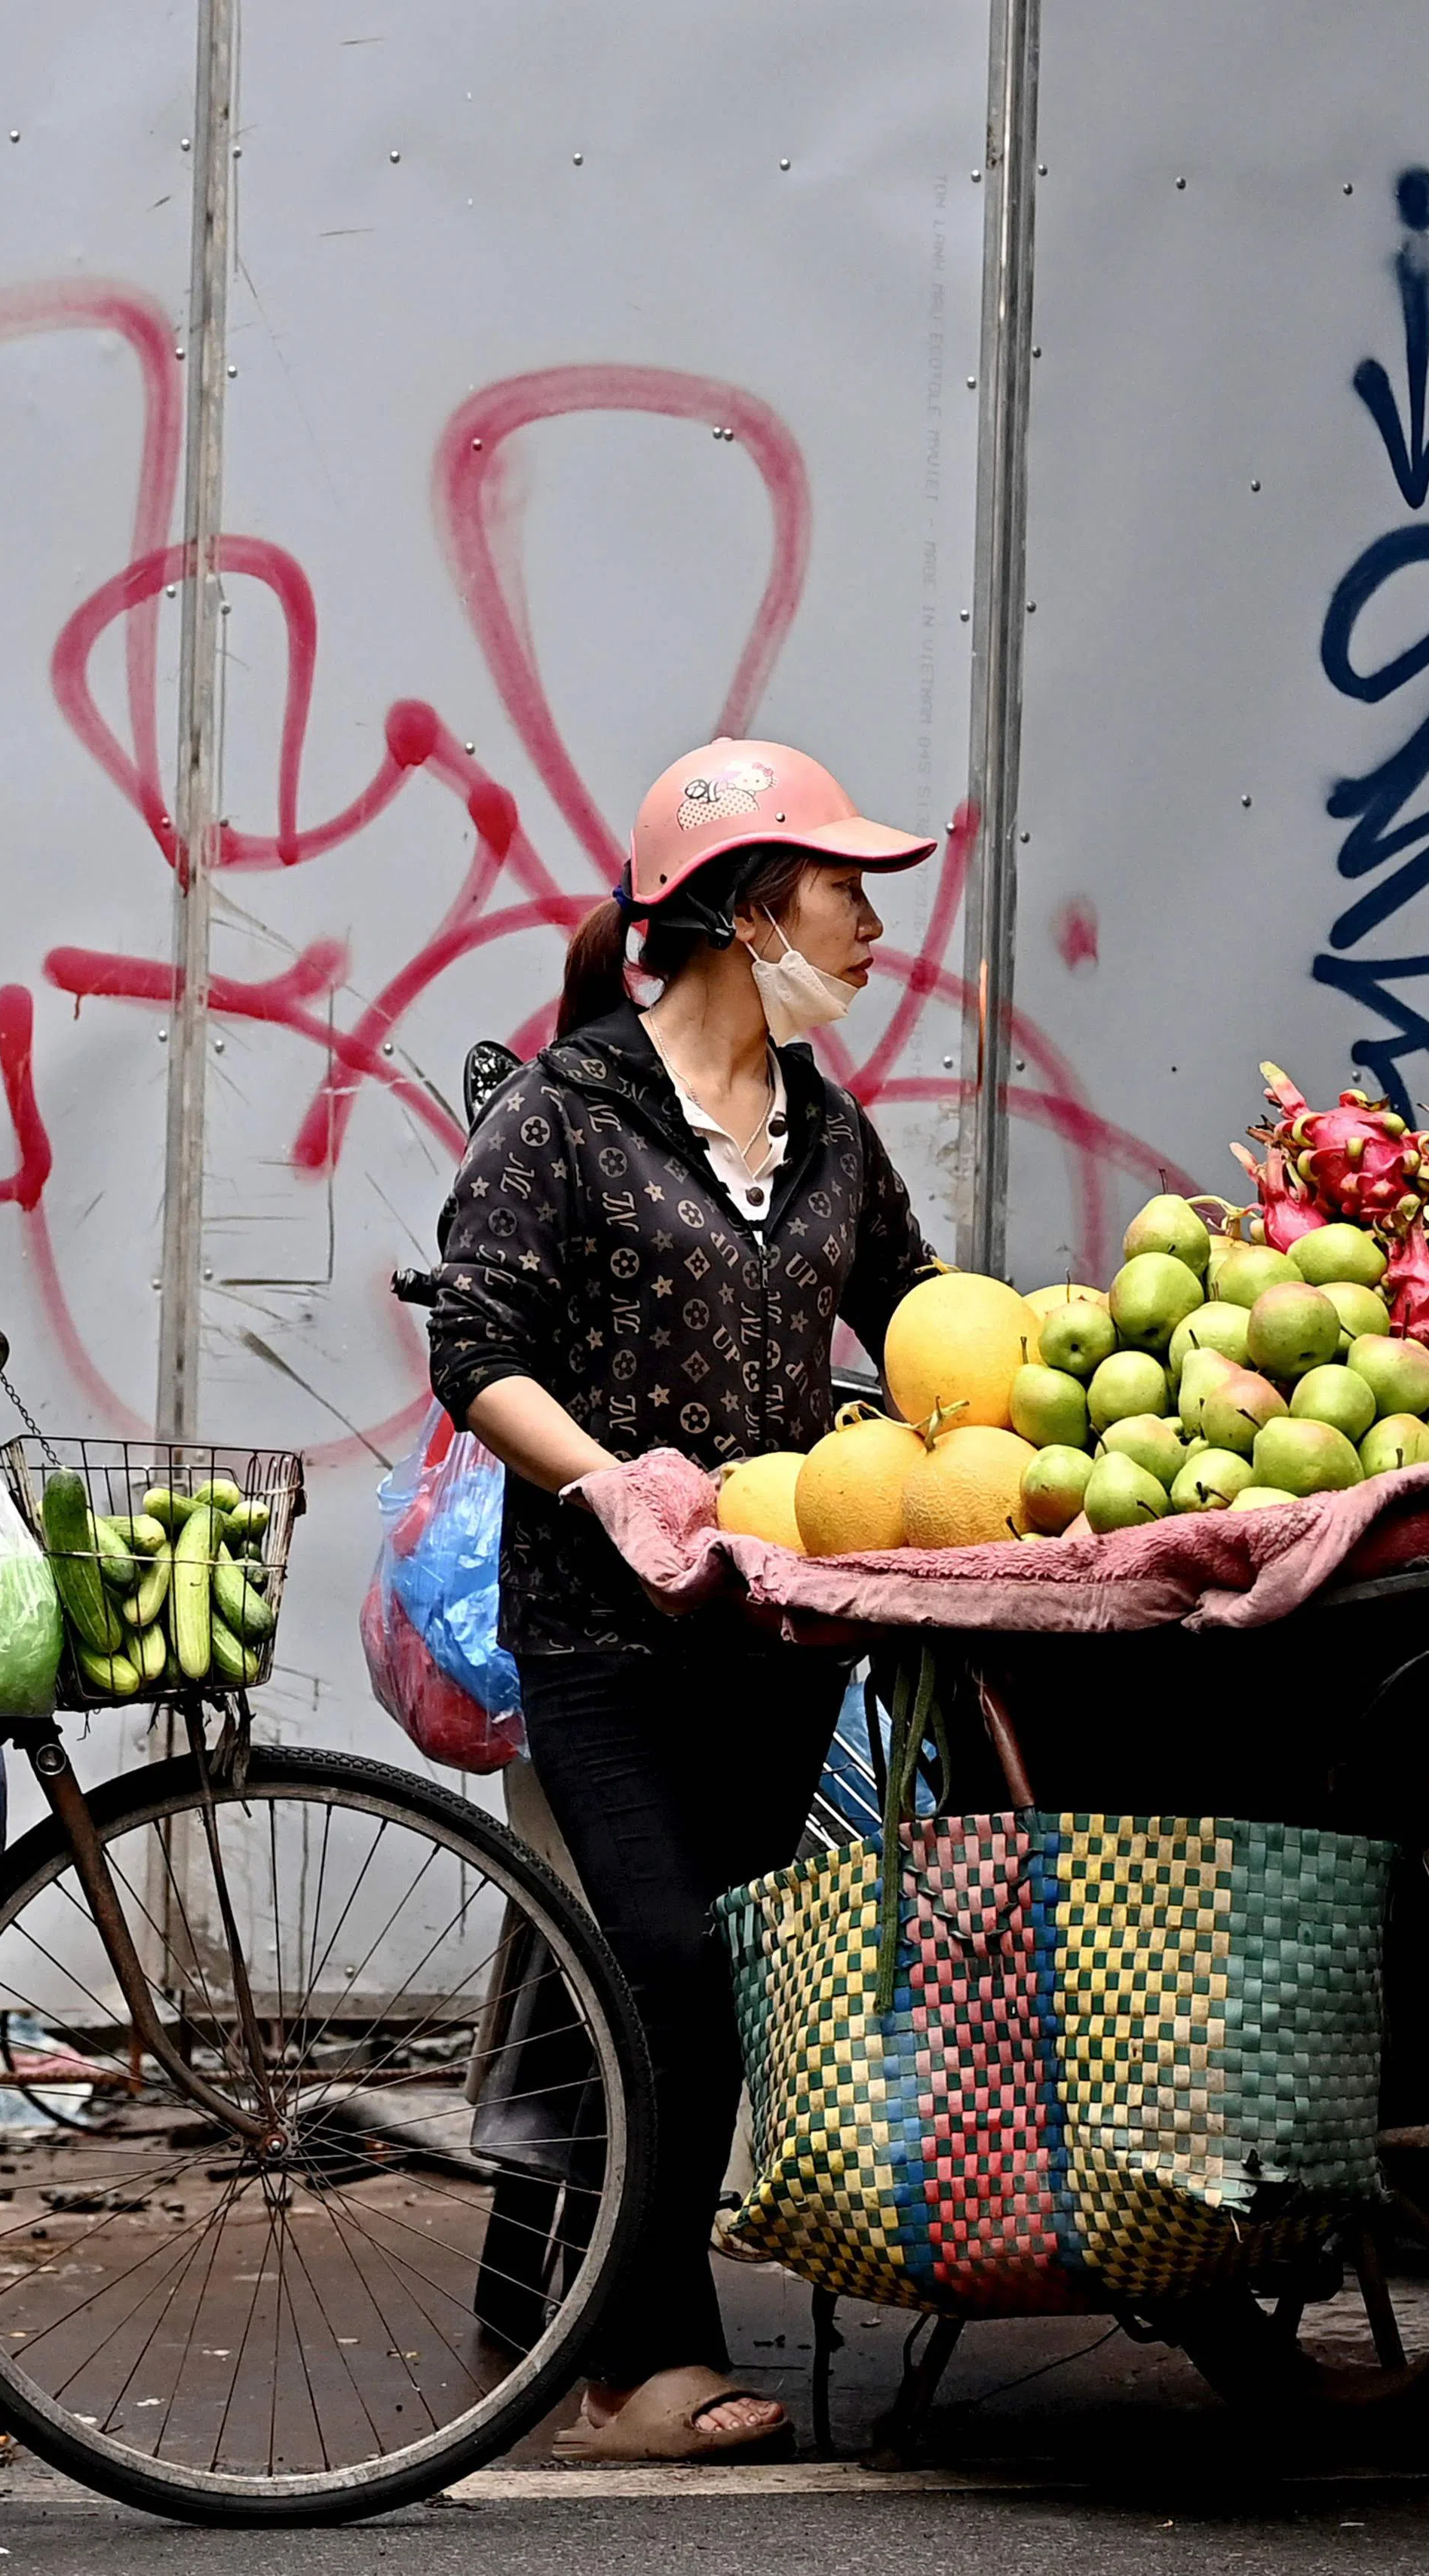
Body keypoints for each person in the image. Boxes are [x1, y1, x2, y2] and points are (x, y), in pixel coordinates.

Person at [420, 738, 940, 2463]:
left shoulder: (833, 1134)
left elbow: (927, 1316)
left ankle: (532, 2295)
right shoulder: (568, 1113)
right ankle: (638, 2365)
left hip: (776, 1643)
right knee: (671, 1960)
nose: (873, 926)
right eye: (843, 889)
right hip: (599, 1633)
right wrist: (605, 1475)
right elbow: (472, 1344)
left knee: (633, 1975)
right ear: (741, 909)